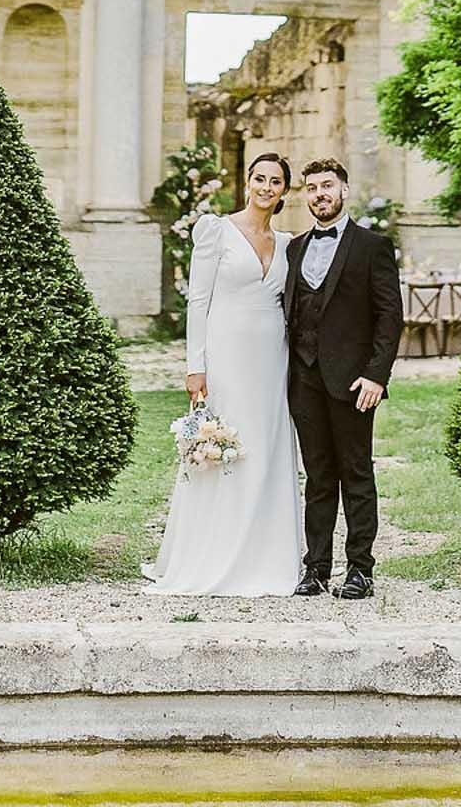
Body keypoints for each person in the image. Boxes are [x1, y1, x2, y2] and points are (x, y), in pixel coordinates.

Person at [142, 152, 304, 596]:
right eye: (260, 178)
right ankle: (211, 554)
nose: (266, 187)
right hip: (226, 353)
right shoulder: (216, 231)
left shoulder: (289, 243)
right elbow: (198, 301)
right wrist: (196, 365)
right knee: (224, 443)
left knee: (268, 446)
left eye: (276, 181)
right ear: (246, 182)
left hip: (273, 357)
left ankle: (268, 556)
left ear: (284, 191)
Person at [284, 156, 403, 600]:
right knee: (317, 478)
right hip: (305, 380)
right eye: (312, 188)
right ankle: (315, 569)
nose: (320, 194)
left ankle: (360, 570)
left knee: (355, 474)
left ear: (344, 191)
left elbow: (390, 317)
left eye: (327, 186)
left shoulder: (372, 246)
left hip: (354, 383)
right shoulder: (294, 248)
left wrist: (376, 376)